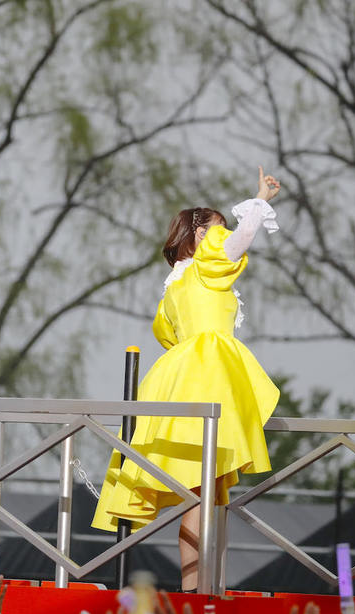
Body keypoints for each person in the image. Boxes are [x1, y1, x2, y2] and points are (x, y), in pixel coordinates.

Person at [91, 167, 282, 591]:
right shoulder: (204, 266)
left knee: (205, 493)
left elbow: (167, 334)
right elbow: (237, 245)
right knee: (203, 494)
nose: (222, 233)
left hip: (182, 374)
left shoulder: (174, 286)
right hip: (209, 373)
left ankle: (199, 587)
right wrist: (260, 200)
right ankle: (199, 591)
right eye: (216, 229)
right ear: (200, 237)